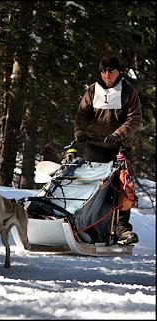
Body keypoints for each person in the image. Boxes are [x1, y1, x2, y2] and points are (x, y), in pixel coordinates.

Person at [74, 53, 142, 245]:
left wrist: (118, 134)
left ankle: (122, 228)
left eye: (110, 71)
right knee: (90, 188)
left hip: (119, 147)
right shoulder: (92, 90)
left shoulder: (128, 92)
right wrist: (80, 131)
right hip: (94, 147)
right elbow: (82, 115)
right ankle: (86, 226)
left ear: (118, 71)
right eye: (103, 70)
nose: (106, 74)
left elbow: (134, 119)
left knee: (123, 188)